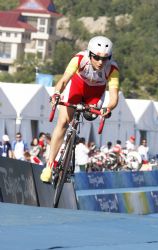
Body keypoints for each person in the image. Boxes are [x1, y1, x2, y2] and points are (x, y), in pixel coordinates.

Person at [40, 35, 119, 182]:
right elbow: (63, 80)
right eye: (97, 57)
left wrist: (108, 108)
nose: (101, 62)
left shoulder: (112, 69)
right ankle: (49, 166)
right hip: (77, 87)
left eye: (105, 58)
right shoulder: (79, 59)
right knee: (63, 122)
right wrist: (57, 93)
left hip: (94, 95)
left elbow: (114, 97)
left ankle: (72, 144)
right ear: (90, 54)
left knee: (90, 115)